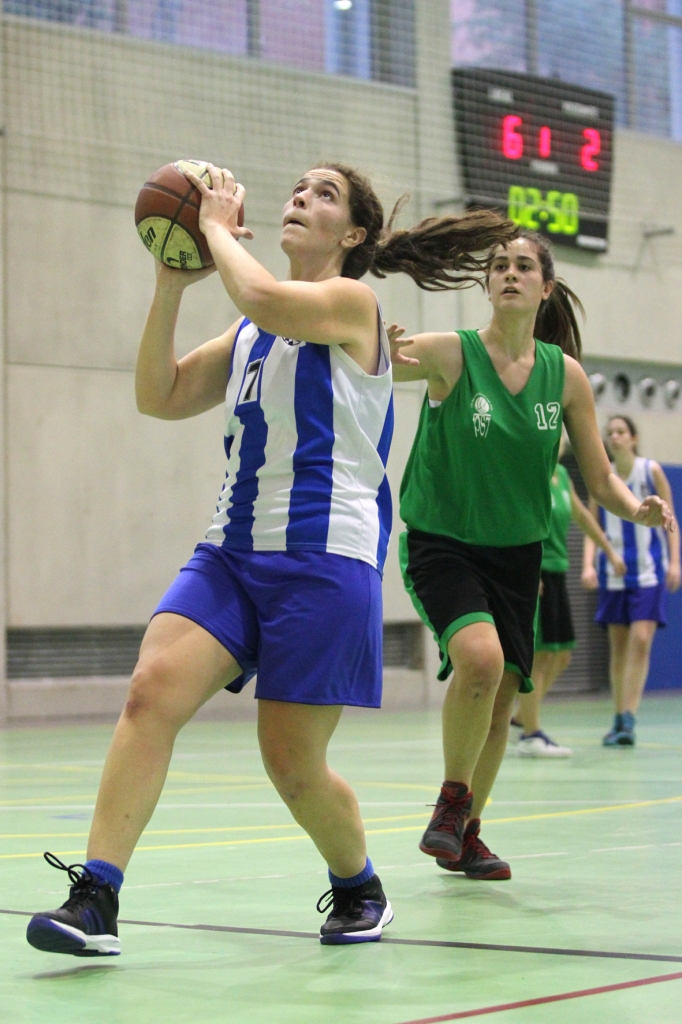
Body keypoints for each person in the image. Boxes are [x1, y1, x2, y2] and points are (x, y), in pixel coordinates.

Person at [26, 162, 517, 955]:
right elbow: (159, 395)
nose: (299, 197)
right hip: (230, 550)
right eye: (297, 187)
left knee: (291, 762)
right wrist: (170, 285)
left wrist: (210, 226)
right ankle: (97, 899)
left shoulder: (351, 304)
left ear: (353, 234)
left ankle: (359, 886)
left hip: (324, 558)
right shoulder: (250, 332)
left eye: (324, 194)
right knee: (150, 694)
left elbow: (259, 294)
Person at [389, 229, 674, 882]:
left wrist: (636, 510)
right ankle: (452, 802)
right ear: (487, 285)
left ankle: (468, 835)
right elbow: (368, 361)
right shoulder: (451, 352)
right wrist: (376, 346)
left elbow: (599, 478)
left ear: (546, 288)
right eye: (499, 266)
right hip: (443, 543)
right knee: (481, 660)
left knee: (501, 699)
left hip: (517, 556)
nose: (509, 273)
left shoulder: (564, 376)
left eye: (523, 266)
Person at [514, 438, 627, 758]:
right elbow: (517, 520)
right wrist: (526, 568)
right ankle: (530, 735)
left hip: (558, 570)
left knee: (562, 655)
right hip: (536, 572)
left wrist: (608, 551)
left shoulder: (562, 476)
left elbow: (583, 516)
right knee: (540, 656)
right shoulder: (528, 473)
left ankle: (522, 716)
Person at [583, 415, 681, 747]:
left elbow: (670, 519)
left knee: (641, 639)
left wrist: (675, 562)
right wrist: (588, 564)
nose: (615, 437)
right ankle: (618, 716)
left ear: (634, 438)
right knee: (619, 646)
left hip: (649, 571)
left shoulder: (651, 471)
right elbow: (592, 525)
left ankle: (629, 716)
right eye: (610, 432)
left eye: (621, 432)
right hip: (615, 573)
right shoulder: (602, 476)